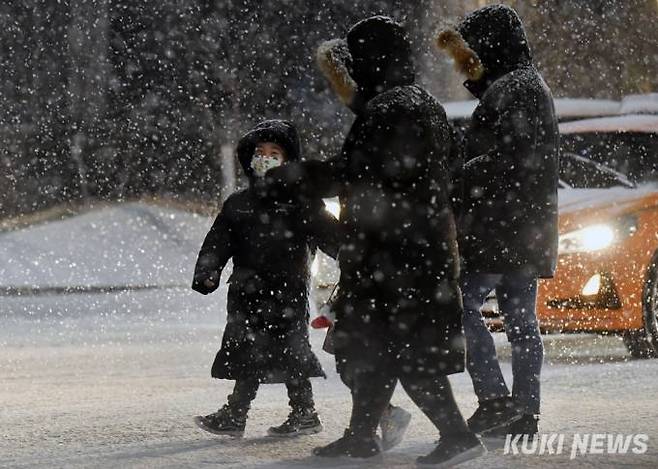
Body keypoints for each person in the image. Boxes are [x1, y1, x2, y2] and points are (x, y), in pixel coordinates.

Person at [268, 16, 484, 466]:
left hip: (396, 258)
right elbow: (448, 171)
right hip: (416, 253)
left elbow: (351, 174)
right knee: (379, 350)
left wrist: (294, 176)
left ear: (373, 60)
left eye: (360, 60)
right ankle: (362, 435)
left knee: (402, 352)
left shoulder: (388, 110)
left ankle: (457, 436)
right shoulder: (421, 103)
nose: (355, 71)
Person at [437, 4, 560, 437]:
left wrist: (457, 176)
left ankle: (493, 400)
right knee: (522, 321)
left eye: (471, 51)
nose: (466, 62)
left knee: (460, 304)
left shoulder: (513, 89)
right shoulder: (525, 85)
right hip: (528, 227)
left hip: (499, 226)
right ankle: (524, 411)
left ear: (489, 46)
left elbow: (507, 156)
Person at [191, 119, 339, 438]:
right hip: (245, 290)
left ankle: (303, 412)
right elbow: (218, 241)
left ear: (288, 162)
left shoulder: (301, 203)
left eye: (275, 152)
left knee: (290, 351)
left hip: (287, 290)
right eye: (260, 151)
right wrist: (208, 270)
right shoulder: (240, 204)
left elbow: (333, 236)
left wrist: (358, 255)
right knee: (248, 351)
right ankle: (236, 414)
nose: (266, 157)